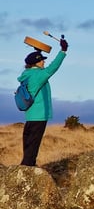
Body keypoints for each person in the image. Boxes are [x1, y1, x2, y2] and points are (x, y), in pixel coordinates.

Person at [18, 37, 69, 166]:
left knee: (29, 146)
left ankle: (26, 170)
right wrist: (63, 51)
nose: (44, 63)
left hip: (30, 115)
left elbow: (44, 66)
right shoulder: (37, 75)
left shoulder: (27, 74)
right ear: (36, 63)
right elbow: (53, 68)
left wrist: (38, 53)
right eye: (41, 60)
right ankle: (26, 173)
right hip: (39, 116)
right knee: (32, 149)